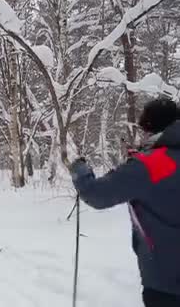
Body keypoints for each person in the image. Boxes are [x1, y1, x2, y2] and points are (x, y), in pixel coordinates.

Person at [69, 98, 180, 307]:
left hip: (167, 283)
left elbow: (97, 195)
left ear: (149, 128)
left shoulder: (152, 165)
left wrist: (80, 172)